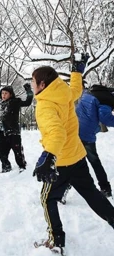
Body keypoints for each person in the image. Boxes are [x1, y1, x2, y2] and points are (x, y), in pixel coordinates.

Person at [31, 54, 114, 255]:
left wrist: (49, 156)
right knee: (91, 193)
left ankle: (56, 241)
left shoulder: (45, 105)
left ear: (42, 84)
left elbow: (56, 132)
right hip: (77, 156)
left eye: (33, 82)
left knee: (47, 199)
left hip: (60, 161)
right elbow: (76, 90)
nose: (31, 86)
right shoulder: (64, 93)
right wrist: (77, 71)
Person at [76, 84, 114, 197]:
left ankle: (62, 189)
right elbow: (105, 118)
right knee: (94, 162)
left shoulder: (89, 92)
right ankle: (105, 188)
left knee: (71, 161)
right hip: (86, 134)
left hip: (74, 129)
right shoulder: (107, 99)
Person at [0, 84, 33, 173]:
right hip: (3, 131)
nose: (3, 95)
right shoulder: (0, 104)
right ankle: (6, 166)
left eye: (6, 93)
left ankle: (22, 165)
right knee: (1, 150)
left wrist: (29, 91)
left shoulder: (15, 102)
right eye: (2, 93)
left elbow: (28, 102)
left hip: (13, 131)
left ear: (10, 94)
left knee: (17, 151)